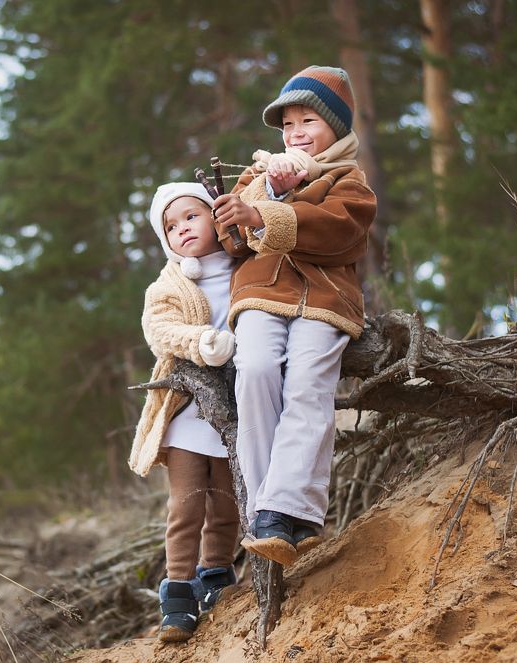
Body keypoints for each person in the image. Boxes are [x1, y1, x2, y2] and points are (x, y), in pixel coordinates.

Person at [212, 65, 377, 567]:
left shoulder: (349, 180)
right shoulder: (258, 176)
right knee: (256, 371)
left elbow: (342, 232)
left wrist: (269, 214)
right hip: (261, 294)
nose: (296, 132)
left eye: (309, 120)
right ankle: (274, 512)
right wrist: (259, 201)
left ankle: (284, 510)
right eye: (288, 124)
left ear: (337, 126)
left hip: (325, 301)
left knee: (308, 383)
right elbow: (233, 243)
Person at [129, 182, 242, 643]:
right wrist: (201, 341)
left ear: (215, 216)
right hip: (187, 409)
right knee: (187, 501)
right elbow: (159, 330)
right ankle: (177, 594)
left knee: (228, 499)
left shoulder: (244, 267)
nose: (183, 229)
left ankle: (216, 576)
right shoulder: (170, 284)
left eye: (191, 217)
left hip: (234, 406)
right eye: (171, 227)